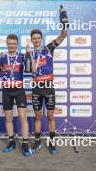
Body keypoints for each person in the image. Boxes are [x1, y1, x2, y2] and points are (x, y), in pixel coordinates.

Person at [29, 12, 68, 154]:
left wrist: (63, 20)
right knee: (37, 116)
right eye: (34, 39)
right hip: (36, 89)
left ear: (41, 39)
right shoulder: (29, 54)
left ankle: (52, 142)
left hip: (49, 88)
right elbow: (29, 69)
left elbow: (63, 35)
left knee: (50, 116)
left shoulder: (48, 48)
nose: (36, 40)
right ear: (31, 40)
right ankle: (37, 141)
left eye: (38, 38)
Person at [0, 34, 32, 157]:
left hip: (19, 90)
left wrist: (28, 55)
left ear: (17, 44)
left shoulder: (21, 56)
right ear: (6, 44)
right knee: (8, 118)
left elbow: (29, 69)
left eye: (14, 44)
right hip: (6, 91)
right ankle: (11, 142)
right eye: (9, 44)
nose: (11, 46)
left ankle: (25, 144)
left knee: (22, 117)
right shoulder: (3, 57)